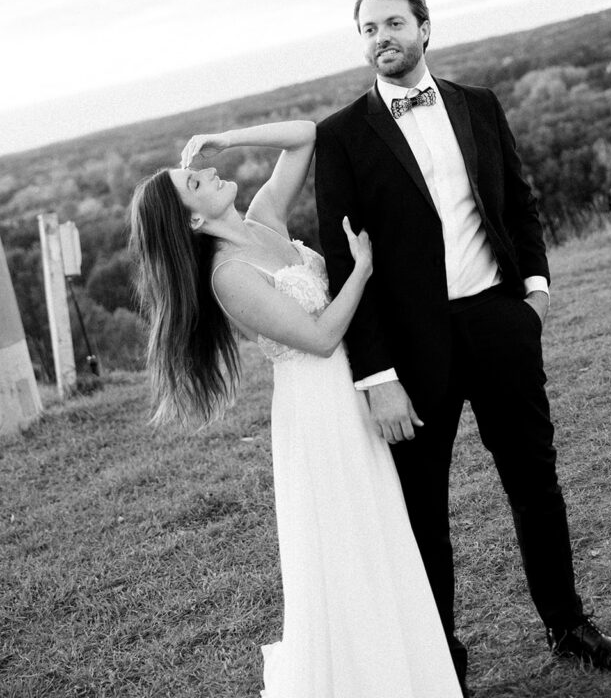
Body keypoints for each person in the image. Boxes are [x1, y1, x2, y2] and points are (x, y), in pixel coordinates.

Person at [315, 0, 611, 695]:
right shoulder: (339, 137)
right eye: (368, 28)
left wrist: (532, 293)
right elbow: (346, 264)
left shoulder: (479, 105)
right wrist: (376, 378)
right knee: (422, 516)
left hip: (498, 323)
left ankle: (569, 627)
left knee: (534, 481)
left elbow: (519, 202)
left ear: (425, 29)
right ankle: (441, 664)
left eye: (394, 23)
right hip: (410, 354)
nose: (382, 38)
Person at [129, 120, 463, 698]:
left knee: (382, 533)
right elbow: (321, 337)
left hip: (348, 395)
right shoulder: (229, 276)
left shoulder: (263, 218)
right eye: (195, 180)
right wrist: (360, 269)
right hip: (318, 414)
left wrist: (227, 138)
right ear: (192, 219)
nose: (209, 172)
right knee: (348, 546)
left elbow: (306, 136)